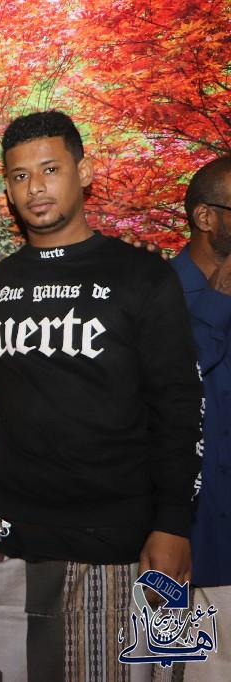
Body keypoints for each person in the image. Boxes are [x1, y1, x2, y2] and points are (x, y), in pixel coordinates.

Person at [0, 110, 201, 680]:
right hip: (6, 535)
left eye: (50, 169)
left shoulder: (142, 276)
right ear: (8, 188)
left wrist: (174, 523)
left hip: (118, 539)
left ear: (83, 173)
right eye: (19, 176)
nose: (35, 188)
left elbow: (179, 406)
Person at [174, 156, 231, 682]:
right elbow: (174, 380)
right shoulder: (155, 291)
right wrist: (219, 299)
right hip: (187, 553)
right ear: (206, 217)